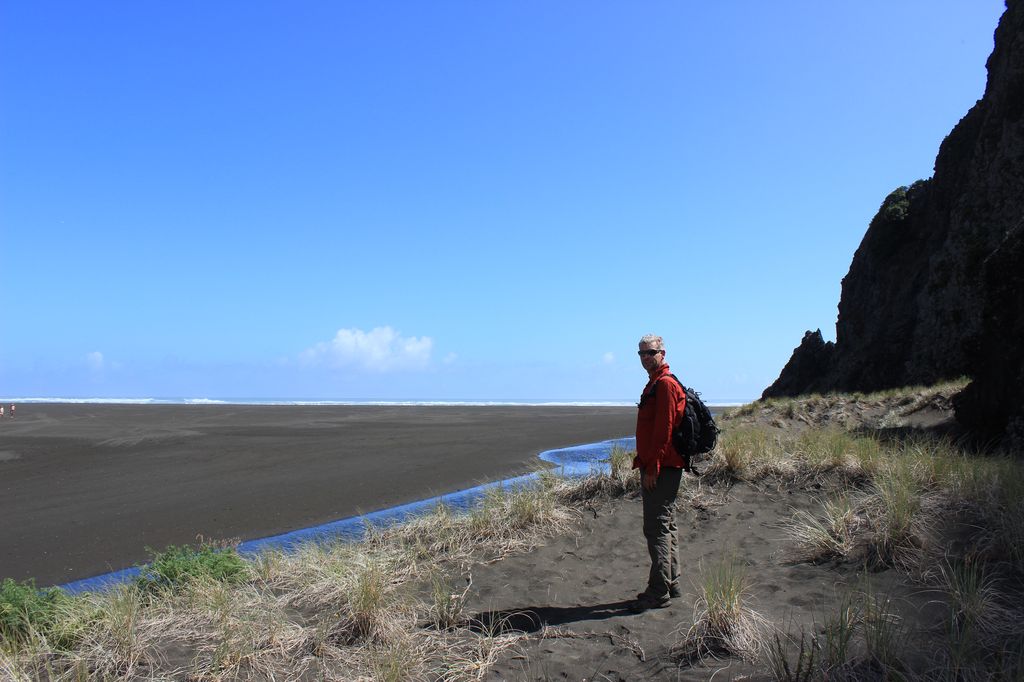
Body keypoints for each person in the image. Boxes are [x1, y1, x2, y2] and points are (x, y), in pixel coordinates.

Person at [631, 334, 687, 612]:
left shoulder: (664, 384)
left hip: (663, 467)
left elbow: (664, 430)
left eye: (650, 353)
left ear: (662, 353)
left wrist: (652, 467)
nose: (645, 358)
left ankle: (659, 590)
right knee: (666, 524)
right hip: (662, 465)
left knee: (657, 528)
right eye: (641, 353)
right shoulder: (655, 383)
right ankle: (671, 582)